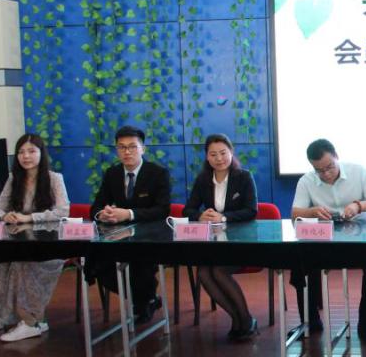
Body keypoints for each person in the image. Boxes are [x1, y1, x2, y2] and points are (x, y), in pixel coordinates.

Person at [290, 138, 366, 344]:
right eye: (319, 170)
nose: (326, 174)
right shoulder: (306, 181)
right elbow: (295, 213)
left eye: (329, 167)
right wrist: (312, 211)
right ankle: (310, 321)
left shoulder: (358, 171)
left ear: (336, 157)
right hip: (325, 239)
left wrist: (358, 206)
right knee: (300, 261)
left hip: (362, 236)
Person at [0, 133, 70, 342]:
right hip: (20, 244)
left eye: (31, 151)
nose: (26, 156)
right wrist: (5, 216)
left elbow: (63, 212)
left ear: (42, 154)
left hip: (50, 248)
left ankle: (29, 322)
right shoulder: (14, 179)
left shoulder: (54, 179)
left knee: (22, 263)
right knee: (5, 260)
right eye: (21, 152)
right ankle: (36, 319)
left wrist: (29, 218)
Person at [88, 125, 171, 323]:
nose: (127, 152)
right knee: (98, 265)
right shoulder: (112, 173)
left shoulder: (158, 173)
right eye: (122, 147)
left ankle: (143, 302)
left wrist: (128, 214)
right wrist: (103, 214)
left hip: (150, 235)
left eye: (132, 147)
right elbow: (96, 207)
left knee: (139, 263)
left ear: (143, 149)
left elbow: (162, 210)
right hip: (118, 235)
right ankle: (147, 299)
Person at [184, 134, 258, 341]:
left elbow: (251, 211)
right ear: (207, 157)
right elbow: (187, 209)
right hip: (214, 244)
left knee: (217, 270)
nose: (219, 158)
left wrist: (223, 217)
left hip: (240, 243)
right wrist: (200, 215)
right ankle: (238, 318)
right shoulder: (203, 180)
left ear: (231, 152)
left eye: (223, 153)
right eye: (213, 154)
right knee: (203, 273)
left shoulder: (244, 177)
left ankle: (245, 320)